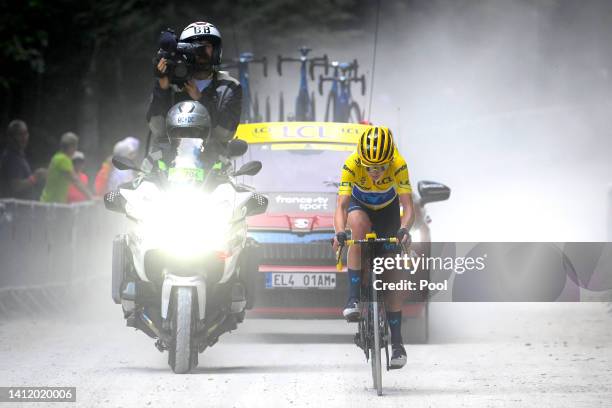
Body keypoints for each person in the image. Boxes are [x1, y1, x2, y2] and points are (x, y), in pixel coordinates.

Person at [332, 126, 414, 369]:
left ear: (389, 160)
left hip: (388, 214)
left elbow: (408, 207)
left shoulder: (399, 163)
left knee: (394, 276)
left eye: (380, 167)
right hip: (360, 208)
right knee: (357, 226)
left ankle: (397, 343)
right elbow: (341, 206)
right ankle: (353, 298)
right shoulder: (351, 163)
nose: (375, 172)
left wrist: (404, 229)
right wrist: (338, 232)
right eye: (369, 168)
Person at [146, 21, 242, 165]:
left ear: (216, 50)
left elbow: (225, 133)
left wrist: (201, 98)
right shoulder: (172, 83)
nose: (201, 52)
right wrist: (162, 89)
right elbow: (158, 128)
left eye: (206, 46)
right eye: (195, 47)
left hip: (213, 167)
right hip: (167, 165)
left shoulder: (229, 86)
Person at [0, 120, 47, 199]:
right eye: (20, 134)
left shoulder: (19, 156)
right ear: (11, 137)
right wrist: (36, 177)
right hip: (14, 208)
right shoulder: (11, 157)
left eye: (26, 133)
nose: (24, 137)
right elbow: (16, 187)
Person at [40, 132, 92, 203]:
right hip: (53, 204)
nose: (75, 149)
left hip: (48, 201)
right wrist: (91, 197)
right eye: (75, 146)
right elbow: (75, 180)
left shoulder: (56, 157)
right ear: (71, 147)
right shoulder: (64, 160)